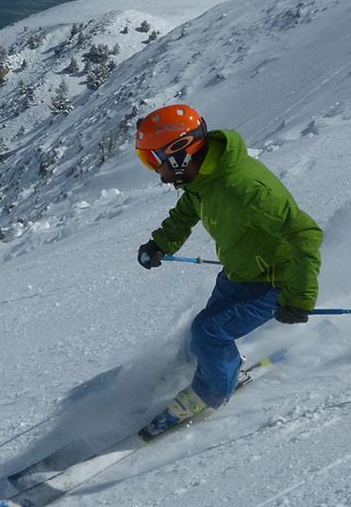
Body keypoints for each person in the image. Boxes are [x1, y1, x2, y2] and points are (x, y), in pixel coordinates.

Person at [134, 103, 323, 422]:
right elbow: (187, 210)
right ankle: (215, 366)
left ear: (180, 153)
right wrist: (160, 244)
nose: (155, 171)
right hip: (239, 273)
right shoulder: (203, 176)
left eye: (154, 160)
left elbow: (305, 234)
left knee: (208, 330)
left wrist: (300, 297)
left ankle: (213, 392)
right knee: (205, 331)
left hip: (274, 282)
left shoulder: (245, 189)